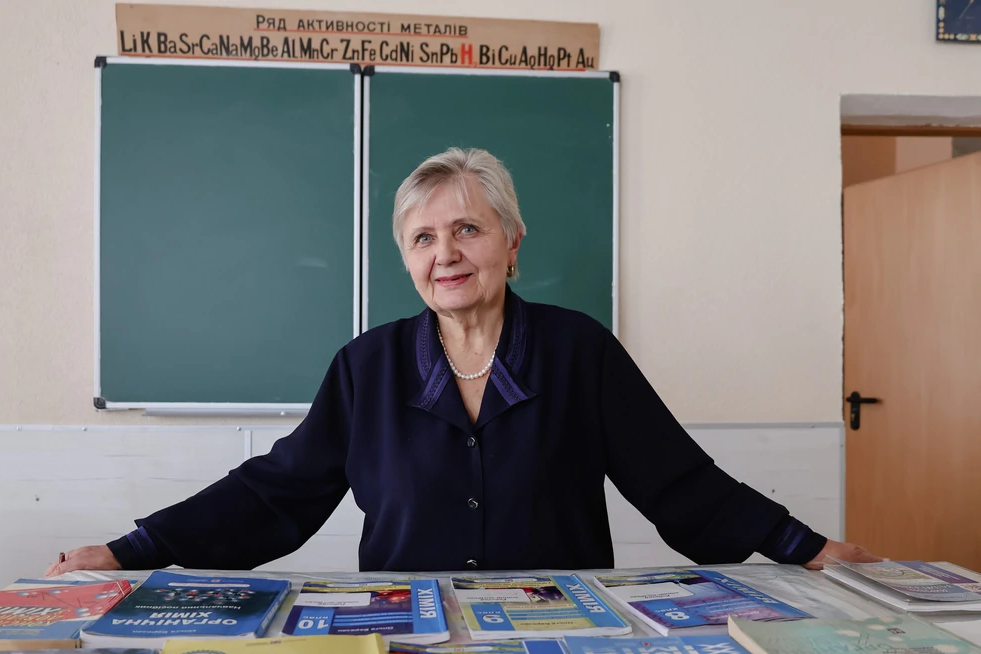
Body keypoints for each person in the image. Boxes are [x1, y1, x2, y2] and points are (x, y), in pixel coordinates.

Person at [47, 148, 879, 578]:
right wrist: (132, 549)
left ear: (511, 245)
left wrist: (802, 545)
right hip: (406, 636)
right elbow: (275, 492)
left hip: (559, 634)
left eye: (467, 230)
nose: (445, 253)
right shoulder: (366, 367)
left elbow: (677, 481)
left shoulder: (577, 349)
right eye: (423, 237)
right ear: (407, 259)